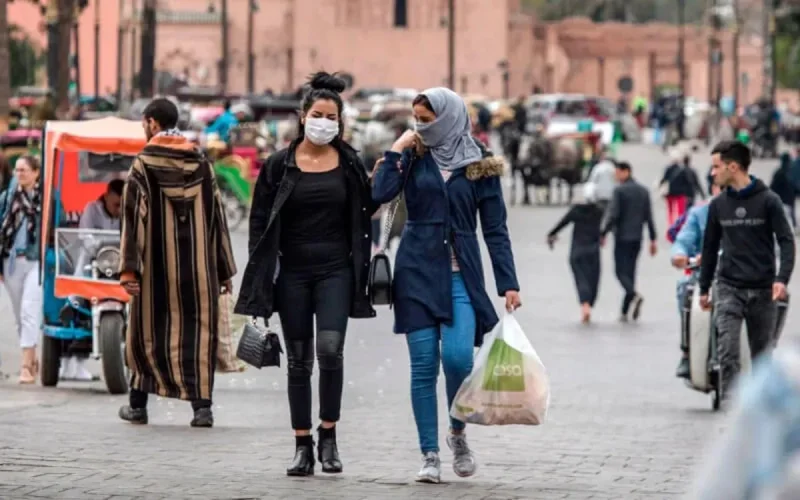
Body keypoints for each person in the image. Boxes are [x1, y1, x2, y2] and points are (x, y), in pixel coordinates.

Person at [372, 88, 521, 484]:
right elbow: (379, 194)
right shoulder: (413, 155)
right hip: (416, 272)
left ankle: (456, 431)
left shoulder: (480, 165)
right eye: (418, 118)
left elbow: (495, 227)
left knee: (458, 359)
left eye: (429, 118)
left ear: (451, 117)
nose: (422, 125)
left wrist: (508, 281)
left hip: (460, 276)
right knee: (423, 366)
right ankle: (429, 453)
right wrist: (396, 149)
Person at [234, 72, 378, 477]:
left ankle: (328, 435)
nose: (323, 122)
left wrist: (389, 171)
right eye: (317, 114)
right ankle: (302, 445)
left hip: (336, 271)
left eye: (331, 117)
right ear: (302, 116)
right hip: (292, 274)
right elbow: (259, 221)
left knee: (330, 351)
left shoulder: (349, 161)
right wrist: (261, 279)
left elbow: (367, 209)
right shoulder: (279, 165)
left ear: (340, 121)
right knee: (299, 363)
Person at [118, 98, 237, 427]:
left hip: (155, 271)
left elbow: (132, 219)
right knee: (197, 335)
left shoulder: (142, 165)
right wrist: (223, 269)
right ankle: (202, 409)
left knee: (147, 334)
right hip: (199, 272)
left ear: (153, 123)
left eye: (145, 122)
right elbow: (217, 219)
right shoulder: (201, 163)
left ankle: (138, 405)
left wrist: (129, 270)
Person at [698, 140, 795, 403]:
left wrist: (781, 279)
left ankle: (759, 407)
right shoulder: (718, 205)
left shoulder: (769, 201)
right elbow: (709, 247)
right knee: (727, 350)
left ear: (734, 167)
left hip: (763, 289)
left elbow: (787, 241)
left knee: (762, 356)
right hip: (729, 286)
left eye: (716, 167)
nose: (712, 173)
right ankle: (732, 406)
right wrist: (705, 287)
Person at [59, 179, 125, 382]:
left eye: (122, 206)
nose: (118, 210)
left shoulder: (131, 210)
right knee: (84, 257)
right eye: (116, 205)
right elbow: (86, 237)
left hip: (122, 260)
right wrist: (102, 244)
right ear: (107, 197)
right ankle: (75, 298)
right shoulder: (91, 209)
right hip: (97, 259)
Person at [670, 181, 722, 378]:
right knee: (685, 289)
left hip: (738, 275)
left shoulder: (748, 211)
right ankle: (687, 350)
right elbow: (683, 240)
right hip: (704, 276)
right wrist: (680, 255)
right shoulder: (699, 213)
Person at [0, 156, 42, 384]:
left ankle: (26, 366)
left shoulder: (46, 199)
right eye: (17, 170)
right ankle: (32, 357)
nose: (19, 174)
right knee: (19, 315)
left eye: (24, 170)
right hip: (11, 262)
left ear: (36, 172)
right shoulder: (7, 198)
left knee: (29, 310)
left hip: (35, 261)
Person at [600, 162, 657, 322]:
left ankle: (633, 294)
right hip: (637, 238)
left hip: (622, 237)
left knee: (619, 271)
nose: (616, 176)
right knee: (630, 272)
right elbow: (649, 217)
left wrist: (603, 232)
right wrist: (653, 239)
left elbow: (614, 214)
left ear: (626, 172)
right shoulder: (643, 191)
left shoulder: (619, 191)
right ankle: (625, 310)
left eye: (617, 173)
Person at [547, 183, 606, 323]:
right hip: (593, 250)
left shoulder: (576, 210)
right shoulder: (599, 211)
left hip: (577, 251)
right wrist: (604, 234)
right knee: (593, 279)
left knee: (581, 279)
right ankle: (589, 303)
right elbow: (610, 221)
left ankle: (585, 305)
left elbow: (562, 223)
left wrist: (551, 235)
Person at [769, 152, 796, 227]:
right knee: (790, 214)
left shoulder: (779, 172)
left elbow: (773, 185)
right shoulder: (790, 171)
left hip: (781, 197)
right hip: (789, 197)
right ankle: (794, 225)